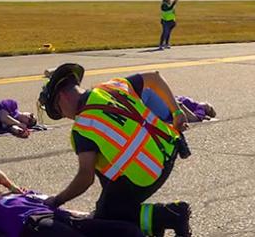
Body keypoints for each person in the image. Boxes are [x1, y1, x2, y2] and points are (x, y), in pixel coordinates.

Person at [38, 63, 192, 237]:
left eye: (59, 111)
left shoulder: (83, 127)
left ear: (62, 97)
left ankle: (171, 214)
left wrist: (57, 200)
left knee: (104, 221)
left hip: (146, 172)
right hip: (169, 149)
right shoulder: (112, 87)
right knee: (107, 207)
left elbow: (85, 177)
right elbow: (155, 78)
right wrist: (176, 112)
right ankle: (155, 226)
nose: (66, 116)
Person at [0, 166, 144, 237]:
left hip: (57, 217)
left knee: (127, 231)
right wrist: (12, 188)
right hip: (32, 224)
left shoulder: (29, 196)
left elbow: (59, 208)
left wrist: (86, 215)